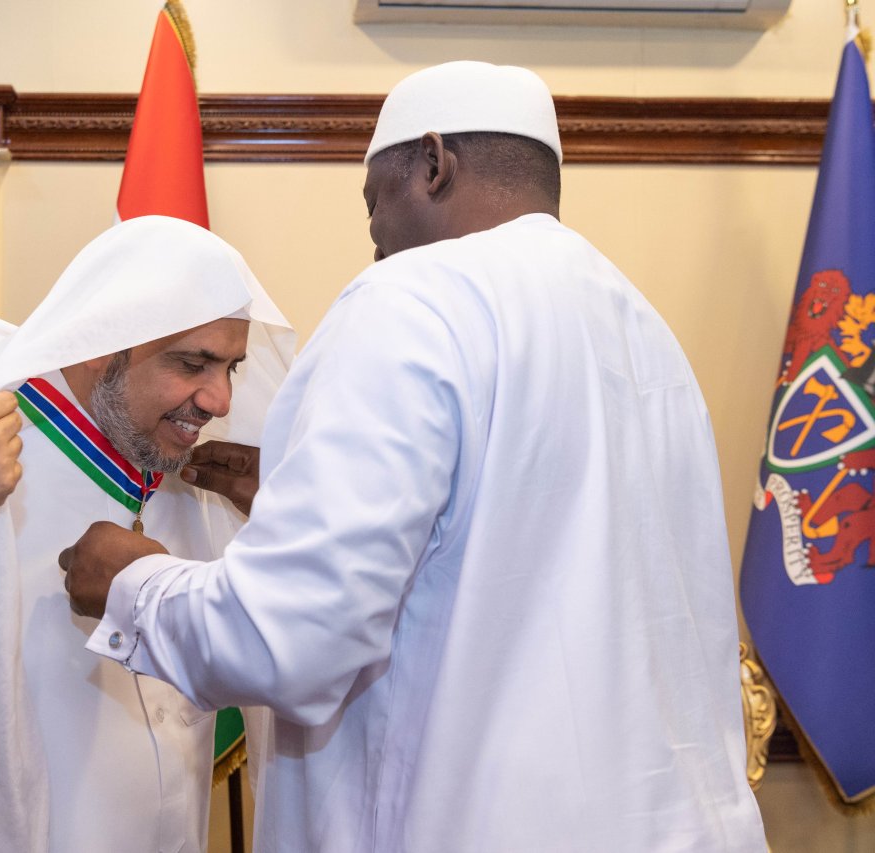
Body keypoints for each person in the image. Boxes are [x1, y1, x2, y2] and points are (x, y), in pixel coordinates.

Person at [60, 62, 769, 851]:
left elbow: (290, 640)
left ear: (433, 163)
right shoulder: (646, 331)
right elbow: (528, 560)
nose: (375, 245)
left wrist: (133, 584)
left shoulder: (413, 297)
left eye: (374, 207)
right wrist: (314, 503)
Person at [0, 214, 293, 853]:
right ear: (102, 340)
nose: (220, 401)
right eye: (193, 363)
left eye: (231, 368)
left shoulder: (205, 480)